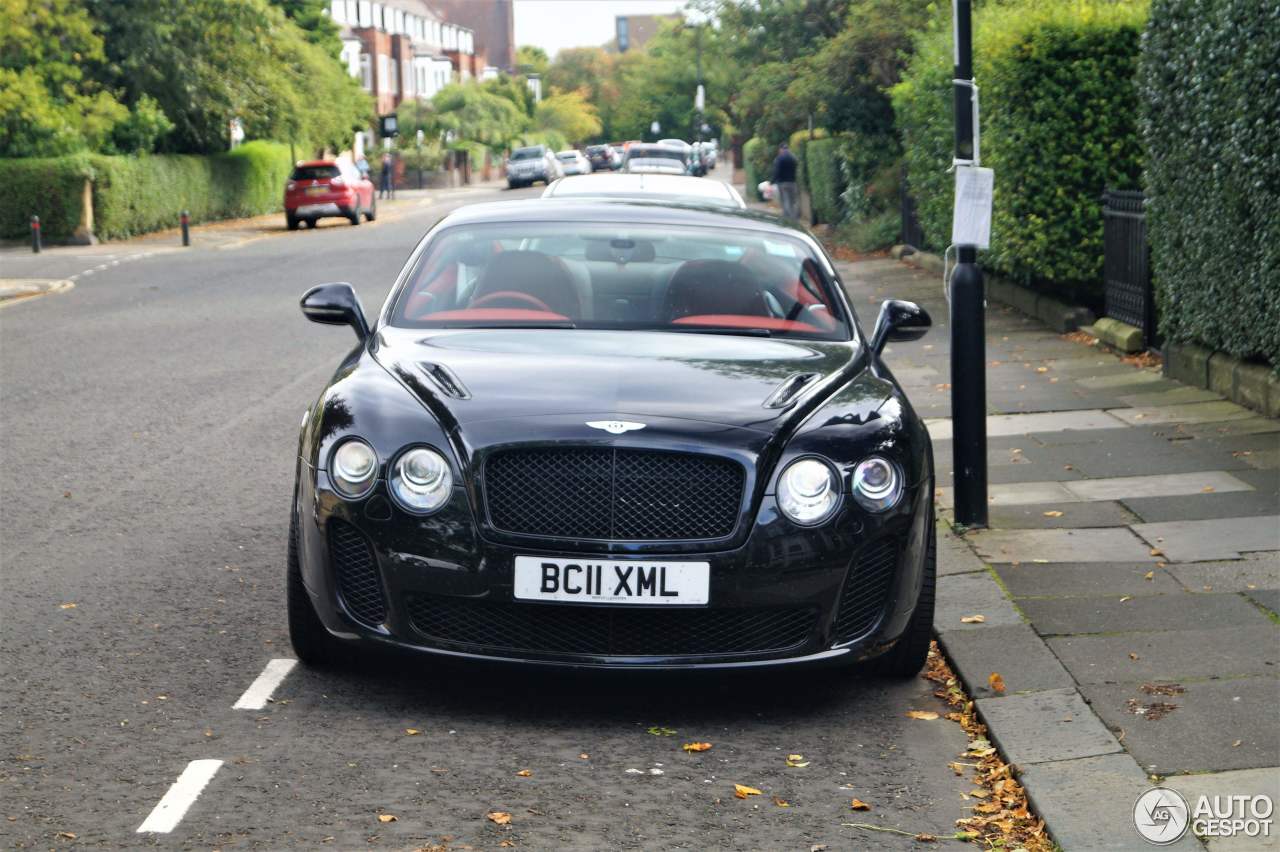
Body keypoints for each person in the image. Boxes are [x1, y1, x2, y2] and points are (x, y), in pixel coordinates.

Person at [771, 143, 799, 219]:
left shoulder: (779, 159)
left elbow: (776, 171)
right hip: (792, 183)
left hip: (782, 183)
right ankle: (794, 218)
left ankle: (788, 219)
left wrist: (772, 181)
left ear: (780, 149)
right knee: (792, 202)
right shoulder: (793, 158)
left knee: (785, 201)